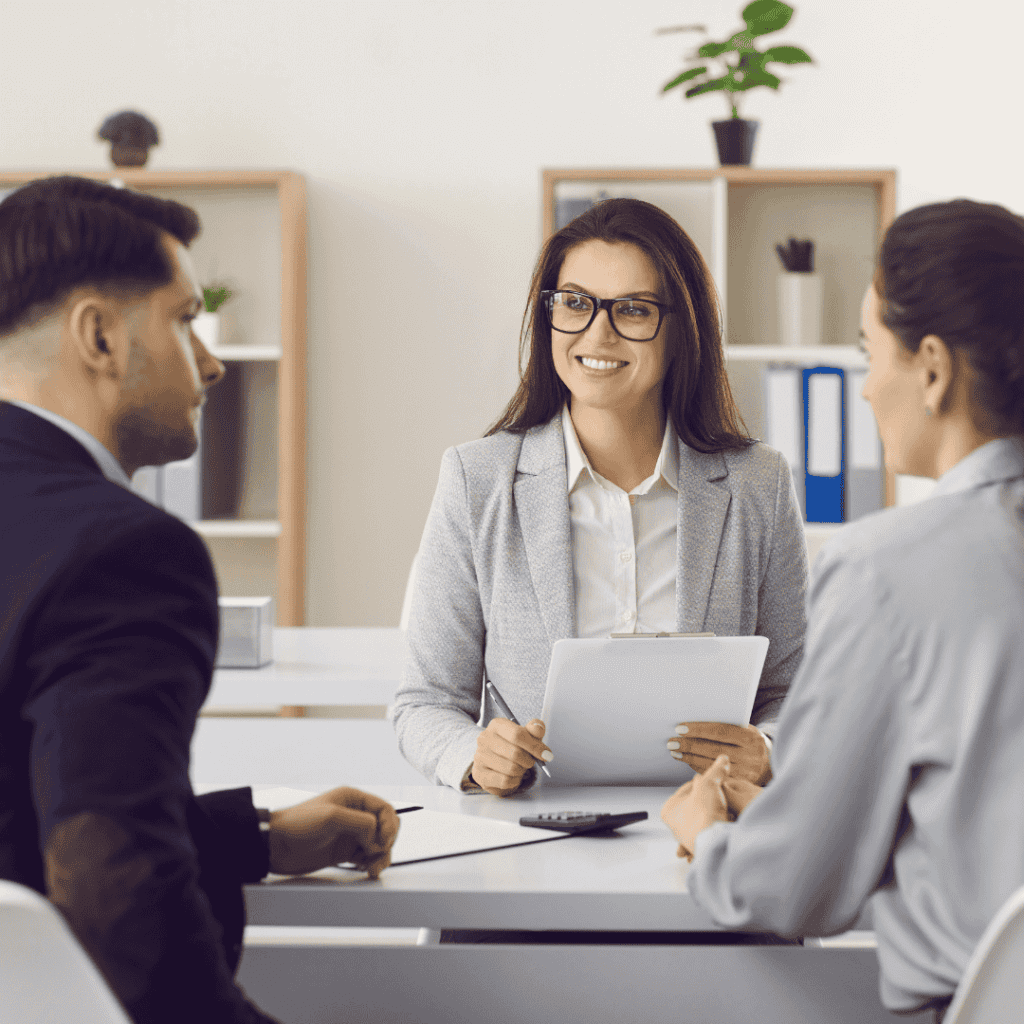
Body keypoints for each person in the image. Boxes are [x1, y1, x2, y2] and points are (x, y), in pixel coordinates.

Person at [0, 176, 400, 1024]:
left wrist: (253, 836)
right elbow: (115, 895)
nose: (212, 362)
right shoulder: (123, 552)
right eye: (185, 322)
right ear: (100, 335)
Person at [661, 198, 1024, 1024]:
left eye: (870, 355)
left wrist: (712, 838)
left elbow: (792, 893)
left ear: (931, 368)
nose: (863, 392)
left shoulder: (884, 568)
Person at [391, 198, 808, 797]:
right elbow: (424, 703)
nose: (598, 333)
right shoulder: (476, 480)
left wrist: (767, 749)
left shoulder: (756, 484)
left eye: (633, 310)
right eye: (576, 303)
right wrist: (472, 755)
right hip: (535, 832)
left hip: (709, 828)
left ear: (681, 329)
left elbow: (797, 692)